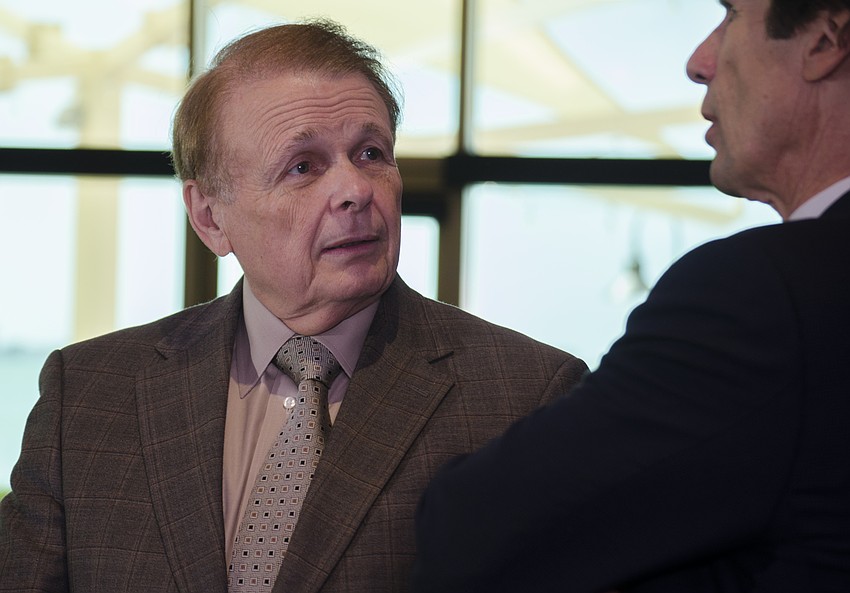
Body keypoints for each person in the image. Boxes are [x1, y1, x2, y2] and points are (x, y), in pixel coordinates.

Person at [0, 20, 587, 593]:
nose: (356, 190)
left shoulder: (526, 396)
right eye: (303, 166)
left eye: (371, 153)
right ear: (210, 217)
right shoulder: (87, 395)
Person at [413, 1, 850, 591]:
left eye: (730, 15)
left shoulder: (768, 295)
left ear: (825, 38)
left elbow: (469, 531)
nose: (699, 61)